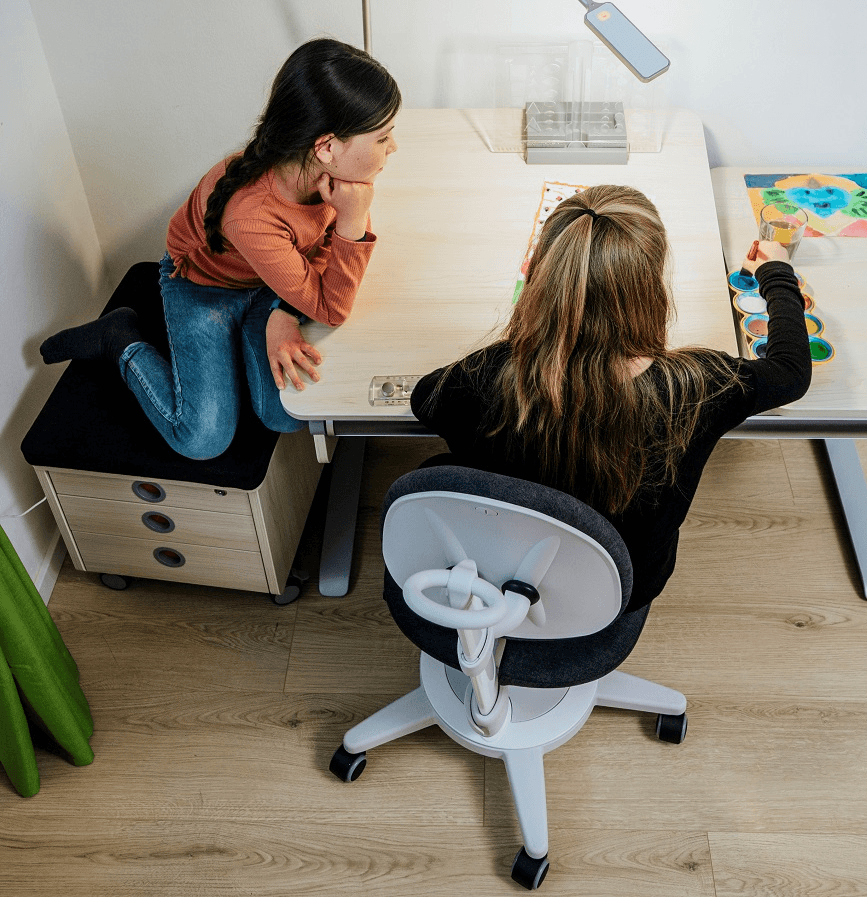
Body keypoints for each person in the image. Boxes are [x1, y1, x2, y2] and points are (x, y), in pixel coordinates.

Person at [409, 184, 811, 612]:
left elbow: (424, 399)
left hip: (489, 580)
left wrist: (532, 332)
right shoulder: (697, 387)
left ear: (539, 277)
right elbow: (791, 373)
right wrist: (777, 275)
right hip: (616, 593)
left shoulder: (488, 375)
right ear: (651, 289)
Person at [40, 38, 401, 460]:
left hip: (267, 281)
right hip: (205, 287)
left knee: (286, 415)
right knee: (201, 439)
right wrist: (353, 223)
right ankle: (118, 339)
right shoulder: (252, 215)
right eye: (383, 137)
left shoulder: (326, 177)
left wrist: (281, 311)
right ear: (326, 147)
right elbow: (333, 306)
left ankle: (259, 319)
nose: (393, 148)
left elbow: (321, 246)